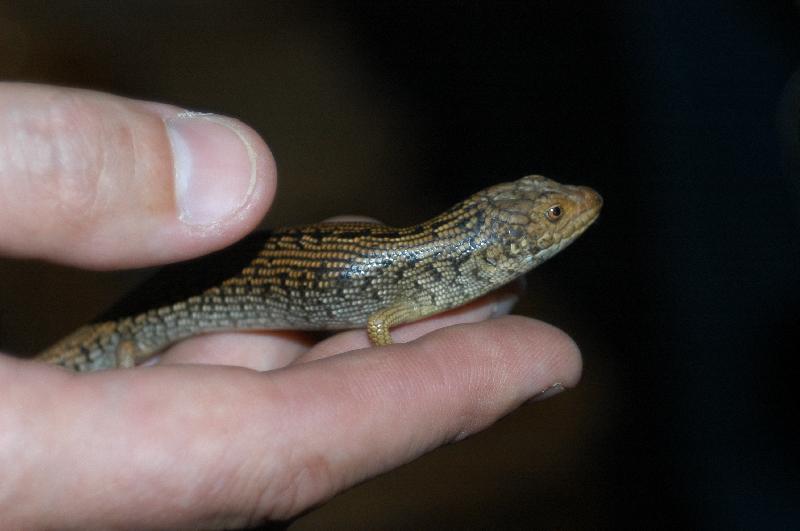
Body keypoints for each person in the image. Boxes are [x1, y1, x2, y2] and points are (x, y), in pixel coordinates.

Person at [0, 83, 582, 528]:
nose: (578, 205)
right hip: (157, 311)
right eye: (553, 214)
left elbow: (380, 316)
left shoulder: (435, 273)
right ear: (500, 244)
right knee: (122, 346)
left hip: (192, 293)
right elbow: (380, 324)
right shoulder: (425, 277)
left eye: (554, 210)